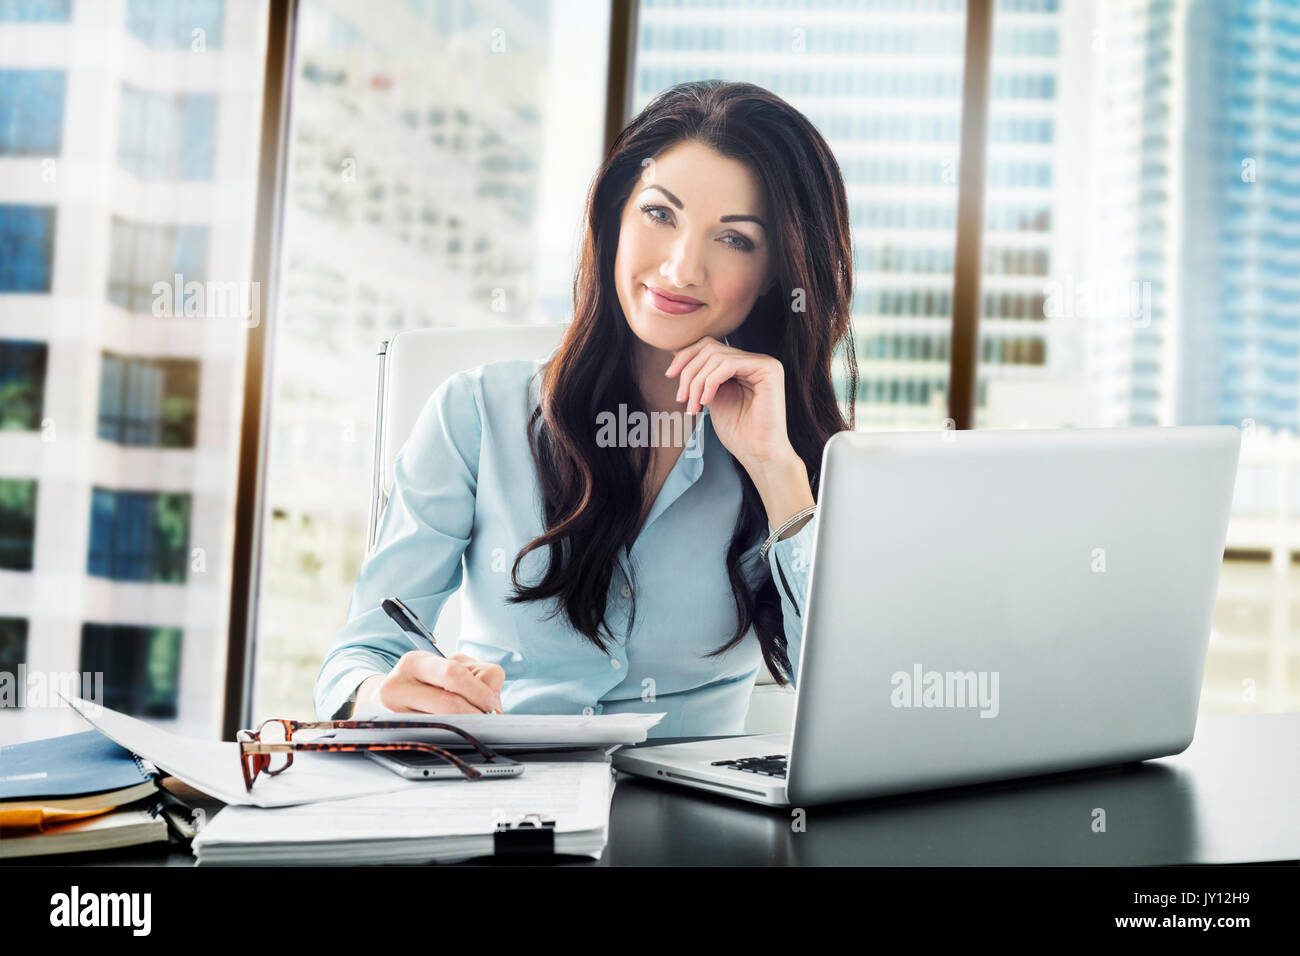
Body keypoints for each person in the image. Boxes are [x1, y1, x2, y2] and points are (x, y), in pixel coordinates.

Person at [314, 79, 857, 737]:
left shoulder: (798, 453)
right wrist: (384, 693)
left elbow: (849, 698)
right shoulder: (475, 413)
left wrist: (777, 471)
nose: (683, 268)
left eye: (735, 239)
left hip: (698, 818)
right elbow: (355, 660)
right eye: (661, 214)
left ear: (776, 270)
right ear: (616, 217)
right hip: (504, 803)